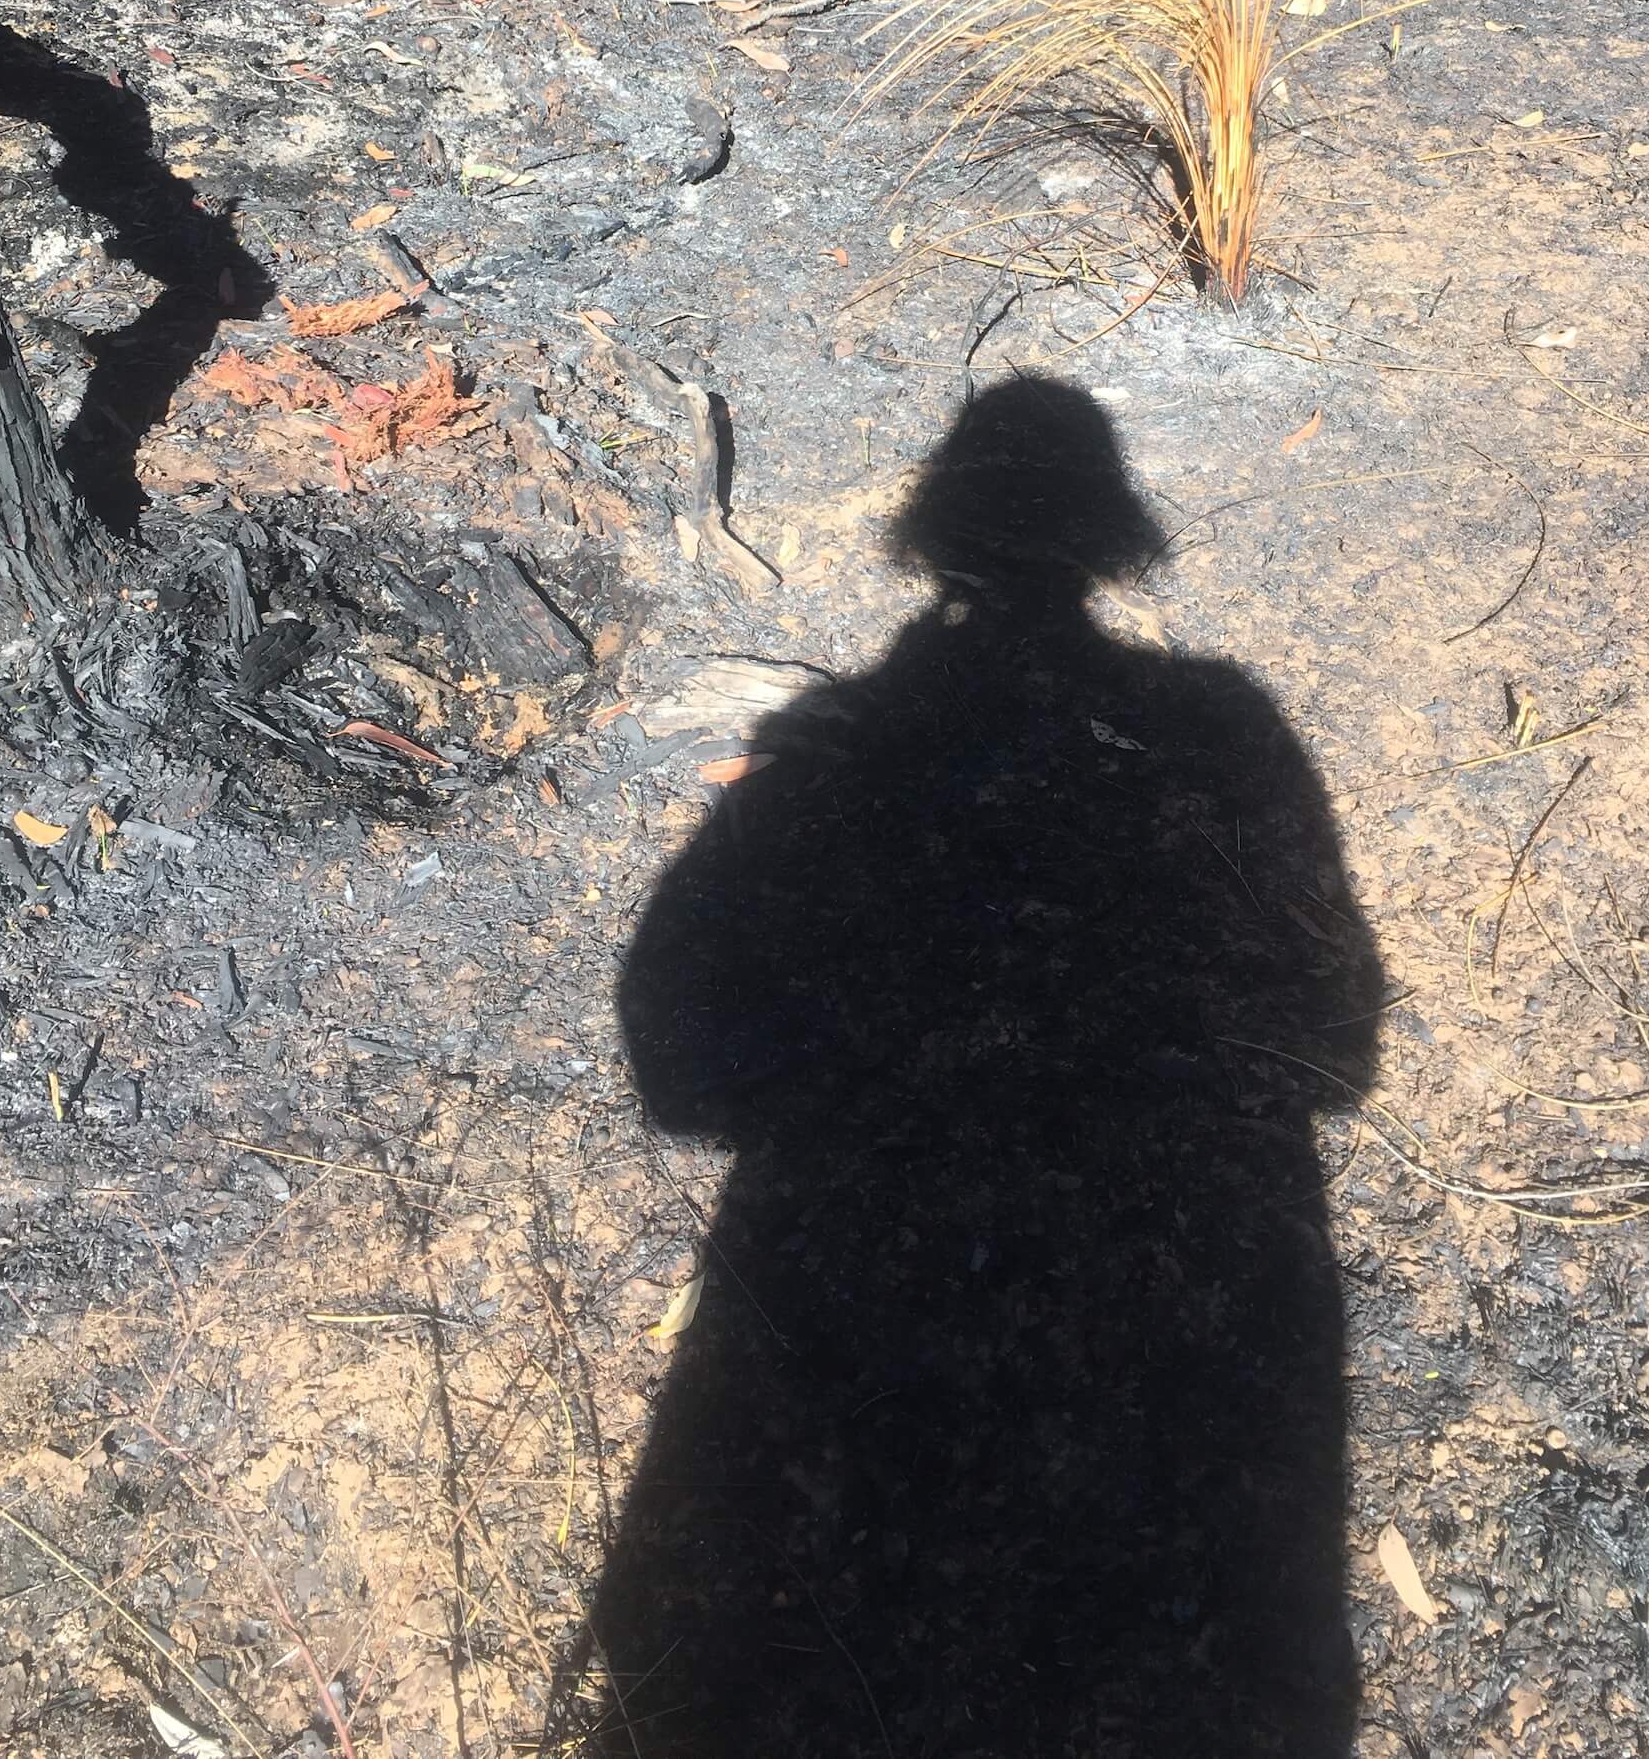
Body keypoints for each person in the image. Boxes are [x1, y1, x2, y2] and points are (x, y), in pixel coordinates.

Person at [590, 374, 1382, 1757]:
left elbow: (683, 1067)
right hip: (1160, 1288)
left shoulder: (831, 756)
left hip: (862, 1289)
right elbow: (1332, 1043)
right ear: (1117, 534)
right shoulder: (1217, 723)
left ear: (928, 534)